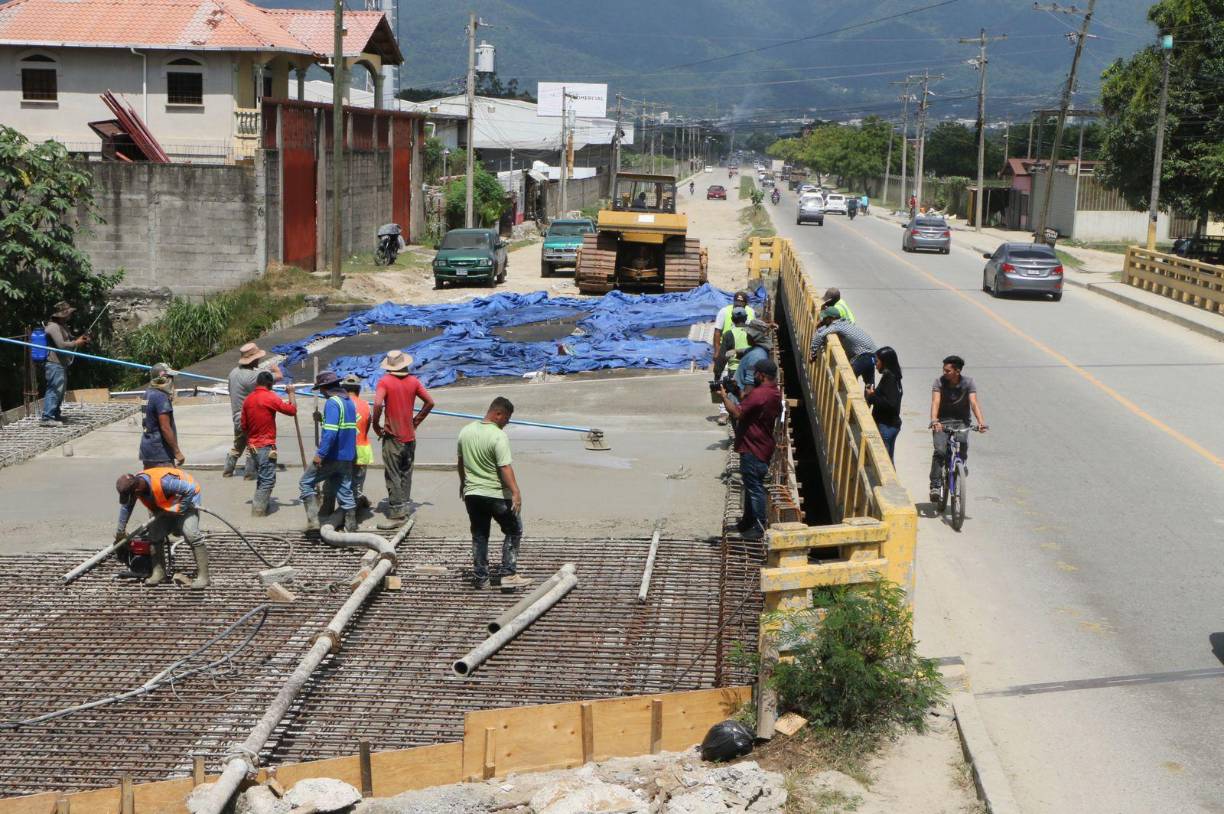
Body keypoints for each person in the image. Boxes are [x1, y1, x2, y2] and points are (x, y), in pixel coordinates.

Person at [457, 397, 529, 590]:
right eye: (507, 418)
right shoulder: (498, 436)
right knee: (514, 530)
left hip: (472, 494)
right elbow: (504, 466)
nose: (507, 422)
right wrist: (516, 492)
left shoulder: (466, 431)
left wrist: (463, 483)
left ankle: (481, 578)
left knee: (480, 535)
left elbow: (461, 461)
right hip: (495, 494)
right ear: (498, 414)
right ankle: (509, 574)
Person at [719, 358, 782, 541]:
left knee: (755, 488)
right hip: (762, 445)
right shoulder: (772, 392)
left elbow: (738, 412)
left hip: (753, 448)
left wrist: (724, 397)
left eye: (756, 373)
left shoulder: (760, 393)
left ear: (761, 375)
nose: (753, 376)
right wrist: (737, 392)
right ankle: (747, 521)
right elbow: (750, 407)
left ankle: (759, 526)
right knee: (751, 485)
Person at [115, 467, 209, 589]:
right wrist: (120, 531)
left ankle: (204, 577)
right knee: (154, 535)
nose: (132, 499)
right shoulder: (136, 486)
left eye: (133, 496)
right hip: (165, 505)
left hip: (187, 499)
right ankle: (159, 572)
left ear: (137, 490)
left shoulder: (164, 482)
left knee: (191, 534)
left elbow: (190, 489)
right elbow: (126, 507)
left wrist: (181, 509)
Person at [372, 350, 435, 528]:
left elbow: (377, 404)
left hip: (393, 437)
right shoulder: (413, 381)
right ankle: (405, 507)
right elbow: (430, 402)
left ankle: (397, 515)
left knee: (393, 474)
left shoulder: (385, 381)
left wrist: (376, 425)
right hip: (409, 436)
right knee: (406, 472)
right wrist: (416, 421)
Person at [299, 370, 357, 532]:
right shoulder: (348, 402)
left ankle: (313, 522)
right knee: (345, 491)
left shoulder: (332, 403)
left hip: (332, 456)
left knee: (305, 483)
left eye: (321, 390)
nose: (322, 393)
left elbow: (331, 433)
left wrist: (320, 455)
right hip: (347, 456)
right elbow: (343, 427)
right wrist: (322, 419)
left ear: (325, 388)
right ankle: (351, 527)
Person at [929, 355, 989, 502]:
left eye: (947, 371)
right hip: (942, 421)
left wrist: (981, 422)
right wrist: (934, 420)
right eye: (944, 370)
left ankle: (962, 464)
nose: (944, 373)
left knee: (962, 441)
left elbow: (973, 403)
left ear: (957, 371)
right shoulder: (939, 382)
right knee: (940, 451)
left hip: (961, 421)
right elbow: (935, 402)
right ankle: (935, 484)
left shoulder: (968, 382)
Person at [241, 371, 297, 516]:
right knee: (267, 481)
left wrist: (251, 440)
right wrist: (291, 393)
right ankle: (258, 513)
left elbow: (243, 426)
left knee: (262, 478)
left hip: (252, 447)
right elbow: (292, 410)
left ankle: (259, 508)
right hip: (265, 446)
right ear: (270, 384)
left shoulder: (248, 399)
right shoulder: (270, 397)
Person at [225, 343, 281, 479]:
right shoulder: (254, 376)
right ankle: (250, 474)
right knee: (253, 446)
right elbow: (278, 376)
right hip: (251, 418)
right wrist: (275, 369)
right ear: (254, 360)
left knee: (238, 444)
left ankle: (228, 470)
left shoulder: (233, 373)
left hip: (237, 416)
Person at [41, 301, 89, 427]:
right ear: (62, 315)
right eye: (68, 314)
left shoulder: (62, 326)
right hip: (54, 364)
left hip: (61, 364)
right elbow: (61, 345)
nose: (70, 316)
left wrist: (81, 339)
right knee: (54, 389)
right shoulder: (53, 327)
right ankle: (47, 417)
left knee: (60, 391)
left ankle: (55, 414)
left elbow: (70, 339)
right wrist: (76, 343)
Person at [810, 310, 878, 385]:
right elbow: (821, 331)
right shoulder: (845, 323)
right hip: (873, 356)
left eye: (825, 318)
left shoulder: (836, 326)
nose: (823, 320)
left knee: (848, 381)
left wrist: (813, 354)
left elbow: (820, 335)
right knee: (870, 385)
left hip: (863, 356)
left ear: (831, 318)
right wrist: (821, 326)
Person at [139, 363, 185, 469]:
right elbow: (165, 427)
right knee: (167, 483)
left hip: (147, 449)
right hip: (160, 452)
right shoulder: (161, 397)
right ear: (163, 379)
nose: (172, 382)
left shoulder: (148, 393)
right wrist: (177, 452)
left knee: (151, 483)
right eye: (170, 378)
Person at [865, 347, 903, 461]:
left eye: (876, 361)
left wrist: (871, 395)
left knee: (884, 462)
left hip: (886, 425)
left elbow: (890, 404)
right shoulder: (894, 376)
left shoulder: (889, 378)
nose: (875, 365)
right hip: (889, 425)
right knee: (888, 462)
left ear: (884, 362)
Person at [343, 374, 373, 512]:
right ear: (358, 389)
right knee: (357, 484)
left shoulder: (340, 404)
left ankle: (348, 512)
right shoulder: (366, 405)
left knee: (344, 483)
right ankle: (354, 511)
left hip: (344, 450)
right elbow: (367, 428)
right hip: (362, 449)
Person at [736, 320, 774, 401]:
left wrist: (737, 390)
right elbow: (746, 351)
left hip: (741, 403)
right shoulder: (755, 350)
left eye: (748, 334)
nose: (746, 336)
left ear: (754, 336)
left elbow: (750, 383)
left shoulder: (756, 356)